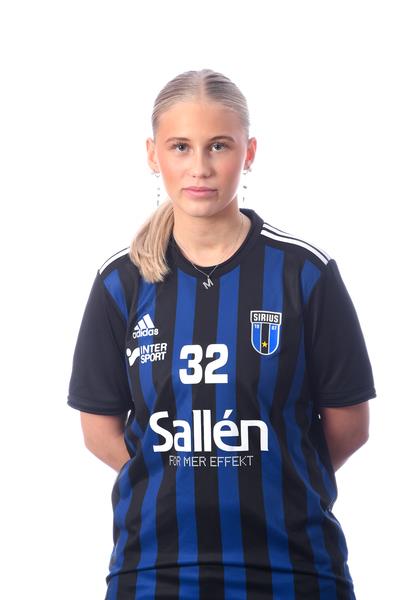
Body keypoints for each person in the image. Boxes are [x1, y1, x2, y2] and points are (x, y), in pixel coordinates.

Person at [67, 68, 377, 600]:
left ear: (248, 152)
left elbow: (349, 427)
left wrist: (270, 476)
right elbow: (99, 430)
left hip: (295, 571)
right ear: (153, 155)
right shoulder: (121, 283)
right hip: (155, 573)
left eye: (219, 146)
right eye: (181, 147)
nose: (200, 167)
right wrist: (179, 477)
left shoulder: (304, 274)